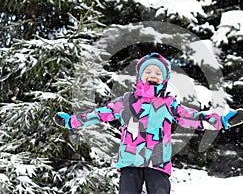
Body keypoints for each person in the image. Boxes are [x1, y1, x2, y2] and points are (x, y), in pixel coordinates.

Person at [55, 52, 229, 194]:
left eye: (158, 73)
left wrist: (220, 121)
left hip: (158, 162)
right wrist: (73, 121)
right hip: (130, 161)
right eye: (148, 72)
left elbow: (192, 117)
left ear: (164, 79)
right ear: (139, 76)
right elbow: (100, 114)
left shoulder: (168, 104)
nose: (152, 75)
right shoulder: (126, 101)